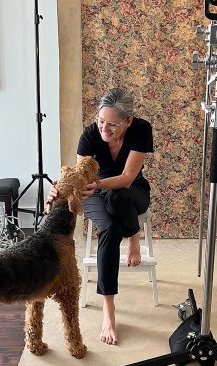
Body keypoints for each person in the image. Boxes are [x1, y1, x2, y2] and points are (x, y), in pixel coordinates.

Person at [47, 88, 153, 346]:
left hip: (131, 191)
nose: (104, 129)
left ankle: (134, 236)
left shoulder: (141, 129)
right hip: (93, 192)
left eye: (112, 124)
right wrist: (60, 187)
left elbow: (128, 178)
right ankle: (109, 310)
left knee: (119, 197)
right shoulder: (90, 135)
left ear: (128, 121)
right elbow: (78, 175)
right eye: (101, 121)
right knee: (109, 230)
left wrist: (102, 184)